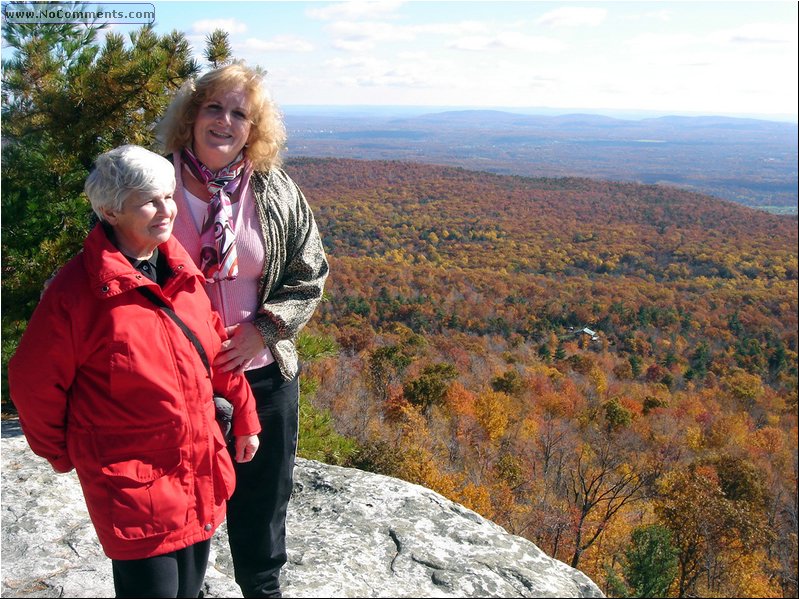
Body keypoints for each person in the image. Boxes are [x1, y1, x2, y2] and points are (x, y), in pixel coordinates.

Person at [8, 145, 262, 598]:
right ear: (110, 210)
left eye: (169, 196)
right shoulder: (77, 294)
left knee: (191, 590)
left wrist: (244, 418)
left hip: (196, 469)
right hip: (132, 485)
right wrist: (61, 453)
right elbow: (32, 382)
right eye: (149, 201)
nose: (166, 210)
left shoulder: (181, 271)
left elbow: (215, 352)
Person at [157, 63, 329, 598]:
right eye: (214, 107)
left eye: (240, 113)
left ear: (254, 129)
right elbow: (115, 272)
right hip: (179, 382)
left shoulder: (274, 189)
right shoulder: (153, 182)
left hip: (264, 376)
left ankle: (262, 587)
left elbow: (311, 270)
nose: (225, 122)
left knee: (262, 499)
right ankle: (191, 587)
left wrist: (266, 327)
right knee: (185, 497)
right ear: (191, 115)